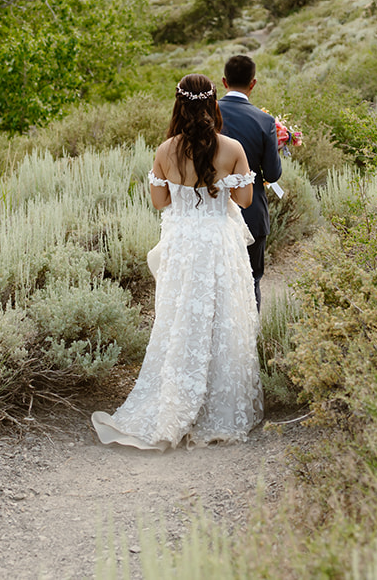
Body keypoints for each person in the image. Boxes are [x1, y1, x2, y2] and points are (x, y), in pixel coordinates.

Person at [90, 74, 264, 450]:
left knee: (181, 320)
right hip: (218, 243)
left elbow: (159, 202)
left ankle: (176, 400)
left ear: (179, 106)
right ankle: (217, 406)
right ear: (213, 105)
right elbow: (247, 201)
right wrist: (224, 186)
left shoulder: (165, 150)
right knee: (223, 318)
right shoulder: (232, 148)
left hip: (183, 244)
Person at [217, 54, 282, 309]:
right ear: (253, 84)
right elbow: (273, 175)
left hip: (212, 214)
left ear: (224, 81)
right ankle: (250, 340)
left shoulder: (206, 116)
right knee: (251, 280)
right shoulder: (264, 121)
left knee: (218, 283)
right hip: (251, 212)